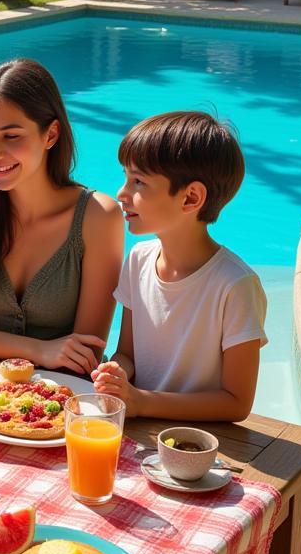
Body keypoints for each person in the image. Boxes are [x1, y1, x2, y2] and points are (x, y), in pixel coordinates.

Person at [0, 58, 123, 374]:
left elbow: (86, 354)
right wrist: (38, 351)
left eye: (11, 136)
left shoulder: (98, 217)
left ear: (51, 135)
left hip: (65, 397)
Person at [92, 111, 267, 422]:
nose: (121, 193)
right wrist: (117, 372)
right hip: (141, 428)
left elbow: (237, 403)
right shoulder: (138, 261)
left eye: (138, 181)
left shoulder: (235, 285)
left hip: (201, 444)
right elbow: (128, 355)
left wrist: (141, 402)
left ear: (191, 198)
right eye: (125, 177)